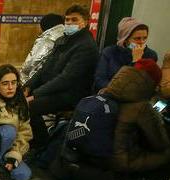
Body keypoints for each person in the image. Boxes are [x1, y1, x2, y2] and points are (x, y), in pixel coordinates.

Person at [24, 4, 99, 150]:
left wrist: (35, 94)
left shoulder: (86, 46)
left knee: (28, 108)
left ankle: (41, 146)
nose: (69, 23)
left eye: (74, 20)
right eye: (67, 20)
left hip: (71, 95)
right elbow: (44, 68)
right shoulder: (63, 40)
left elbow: (66, 79)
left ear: (85, 22)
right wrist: (28, 87)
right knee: (15, 98)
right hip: (55, 90)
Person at [101, 60, 170, 180]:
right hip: (121, 161)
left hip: (97, 153)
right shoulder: (143, 108)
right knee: (167, 153)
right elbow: (160, 144)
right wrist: (157, 119)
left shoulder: (104, 92)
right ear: (151, 83)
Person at [94, 17, 158, 92]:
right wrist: (113, 91)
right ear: (125, 39)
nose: (142, 42)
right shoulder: (109, 52)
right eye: (137, 38)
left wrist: (136, 62)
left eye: (145, 38)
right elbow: (100, 79)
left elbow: (141, 84)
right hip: (110, 93)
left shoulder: (150, 55)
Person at [20, 13, 65, 85]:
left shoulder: (46, 40)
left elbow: (30, 64)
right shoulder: (68, 37)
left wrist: (23, 83)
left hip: (39, 83)